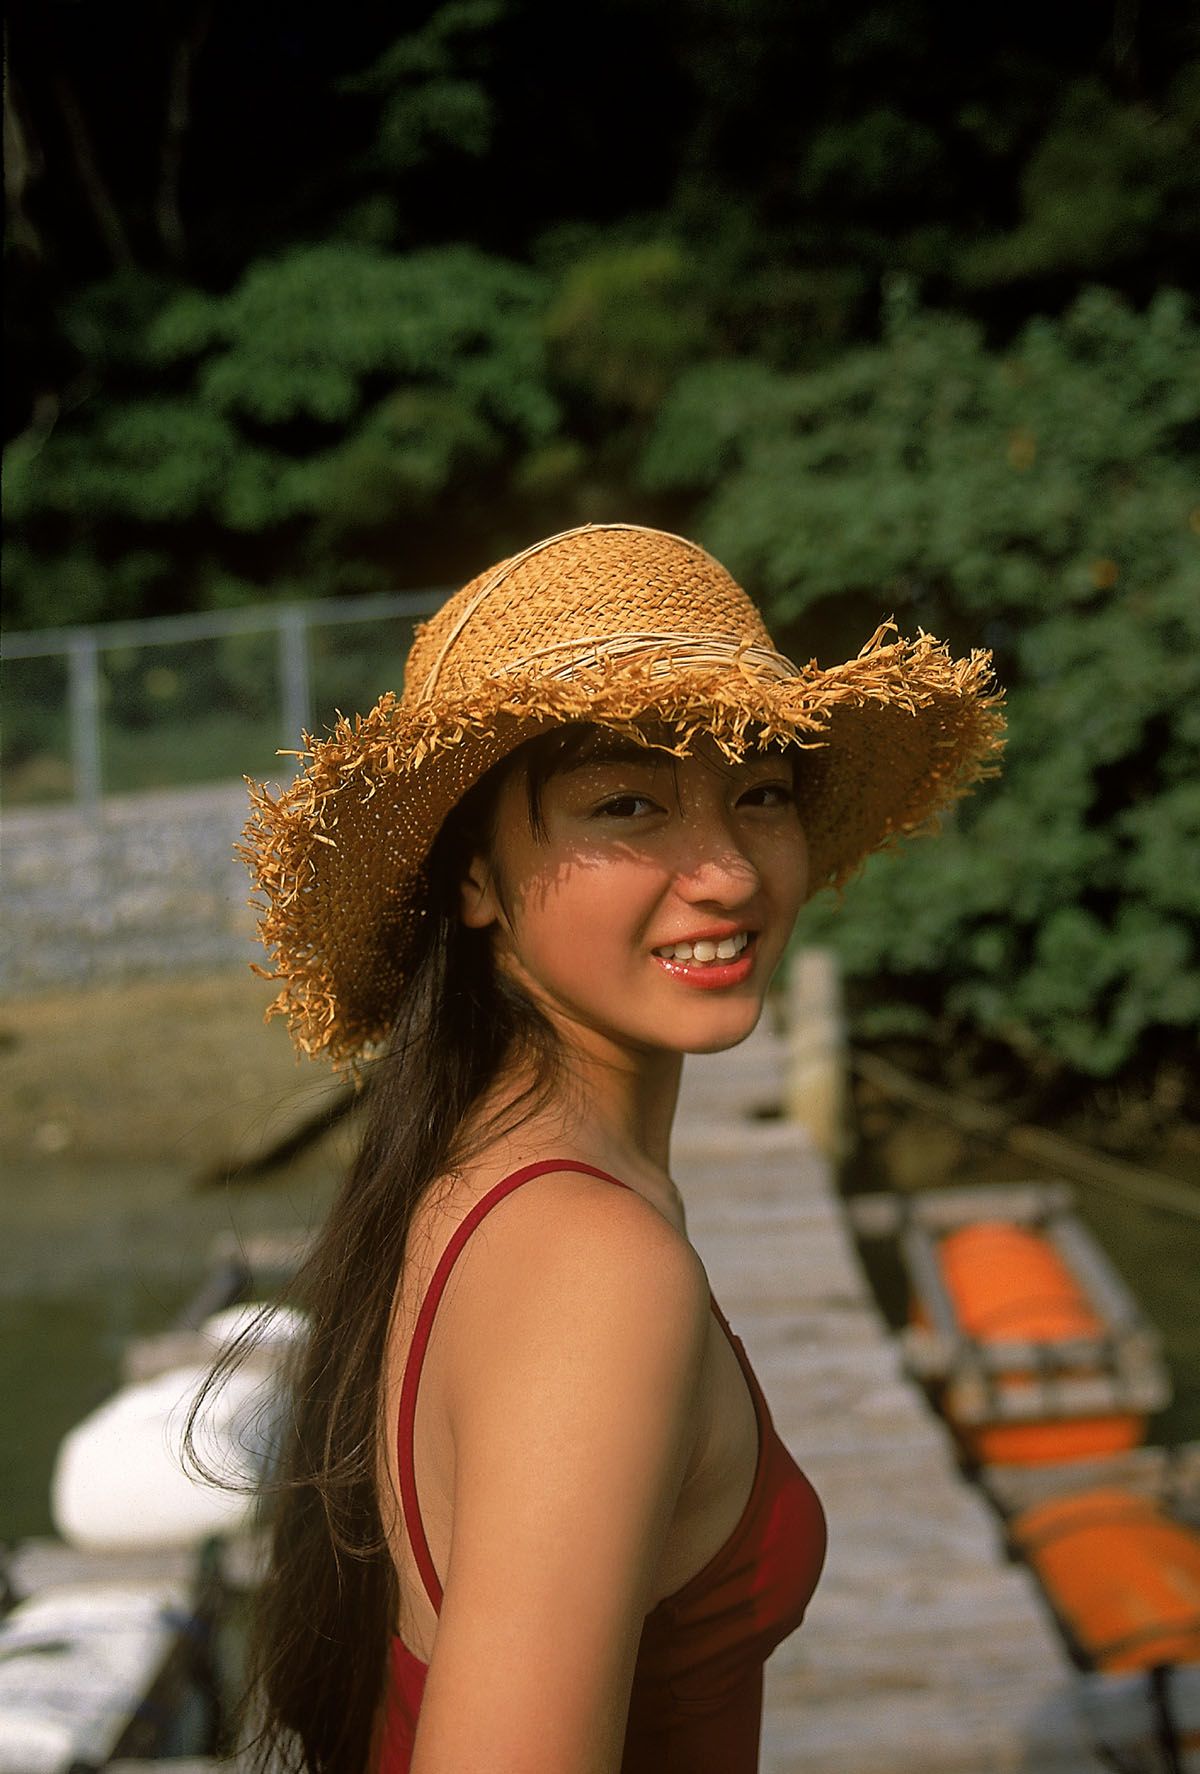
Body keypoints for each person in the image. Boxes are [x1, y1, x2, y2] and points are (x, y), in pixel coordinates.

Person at [235, 522, 1005, 1774]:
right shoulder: (593, 1268)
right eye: (629, 804)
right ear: (475, 876)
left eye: (760, 793)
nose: (724, 871)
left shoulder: (472, 1173)